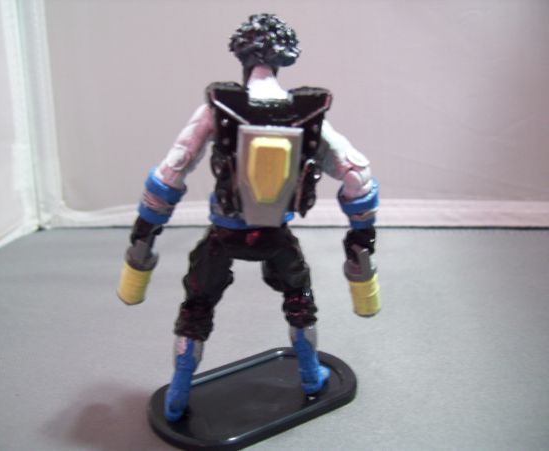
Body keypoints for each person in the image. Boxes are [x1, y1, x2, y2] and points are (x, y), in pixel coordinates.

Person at [117, 13, 379, 422]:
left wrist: (143, 236)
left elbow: (171, 172)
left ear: (240, 54)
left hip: (224, 234)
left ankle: (178, 396)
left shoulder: (218, 108)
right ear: (284, 58)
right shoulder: (306, 113)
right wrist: (360, 240)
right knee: (300, 302)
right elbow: (356, 176)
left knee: (196, 308)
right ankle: (311, 377)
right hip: (276, 237)